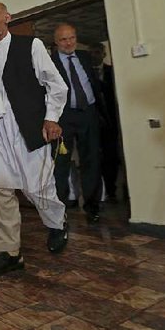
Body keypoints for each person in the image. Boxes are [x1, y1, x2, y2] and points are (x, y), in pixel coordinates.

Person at [0, 2, 69, 276]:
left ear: (6, 18)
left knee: (37, 187)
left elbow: (56, 85)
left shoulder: (30, 45)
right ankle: (9, 252)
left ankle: (57, 223)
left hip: (25, 126)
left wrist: (52, 118)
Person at [51, 24, 103, 223]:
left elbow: (94, 84)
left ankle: (92, 207)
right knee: (61, 163)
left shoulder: (85, 57)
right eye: (64, 39)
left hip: (88, 114)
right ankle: (59, 210)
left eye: (72, 37)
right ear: (56, 42)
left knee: (92, 160)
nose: (69, 42)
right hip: (63, 117)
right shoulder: (49, 62)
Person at [90, 43, 120, 201]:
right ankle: (97, 192)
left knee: (111, 156)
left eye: (97, 51)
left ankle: (111, 189)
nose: (94, 55)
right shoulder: (86, 73)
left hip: (112, 121)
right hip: (93, 122)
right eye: (91, 52)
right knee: (94, 157)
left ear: (103, 53)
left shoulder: (112, 71)